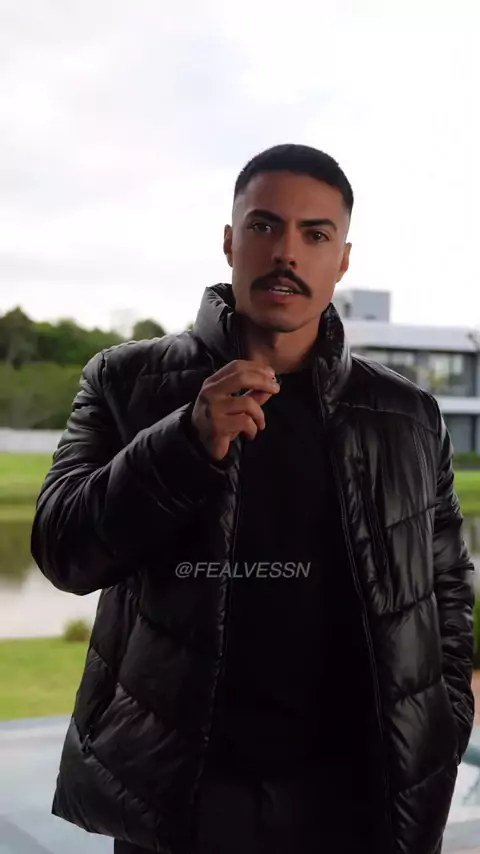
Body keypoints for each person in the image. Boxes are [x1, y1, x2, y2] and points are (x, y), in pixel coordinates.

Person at [31, 143, 475, 854]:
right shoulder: (124, 381)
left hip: (356, 799)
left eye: (315, 234)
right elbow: (63, 552)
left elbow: (447, 590)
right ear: (230, 241)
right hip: (184, 801)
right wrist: (183, 443)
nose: (286, 253)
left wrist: (443, 728)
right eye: (265, 225)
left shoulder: (408, 415)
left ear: (343, 260)